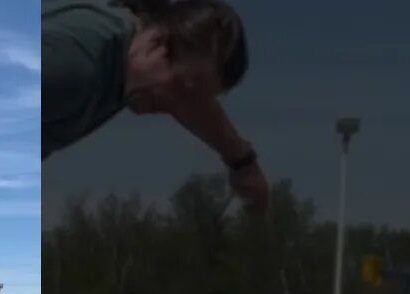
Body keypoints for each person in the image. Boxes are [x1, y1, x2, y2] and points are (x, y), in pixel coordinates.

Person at [43, 0, 268, 209]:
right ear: (156, 43)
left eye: (191, 100)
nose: (175, 107)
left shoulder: (134, 63)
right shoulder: (77, 66)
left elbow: (198, 107)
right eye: (180, 88)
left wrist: (242, 162)